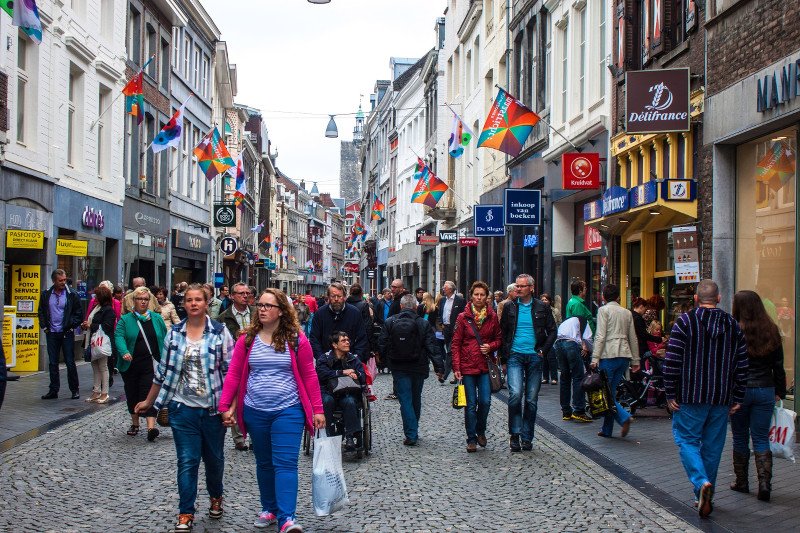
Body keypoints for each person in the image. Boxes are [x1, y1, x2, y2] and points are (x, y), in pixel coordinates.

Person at [220, 288, 324, 533]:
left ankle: (287, 517)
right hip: (255, 410)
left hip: (288, 410)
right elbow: (234, 374)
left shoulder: (296, 338)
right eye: (261, 305)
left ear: (281, 311)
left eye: (269, 306)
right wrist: (225, 406)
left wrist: (317, 409)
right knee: (265, 463)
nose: (263, 309)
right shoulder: (247, 338)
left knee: (286, 463)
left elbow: (310, 375)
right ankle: (269, 508)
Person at [135, 284, 235, 533]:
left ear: (206, 302)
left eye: (198, 300)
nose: (193, 304)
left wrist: (230, 408)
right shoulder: (175, 334)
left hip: (213, 410)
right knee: (187, 461)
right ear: (185, 304)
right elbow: (163, 373)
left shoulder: (220, 333)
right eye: (189, 300)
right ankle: (185, 512)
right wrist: (149, 402)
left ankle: (216, 496)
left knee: (214, 460)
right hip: (183, 409)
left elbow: (232, 374)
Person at [664, 279, 749, 518]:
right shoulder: (733, 325)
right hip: (721, 396)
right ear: (719, 299)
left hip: (690, 395)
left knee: (687, 440)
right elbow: (742, 364)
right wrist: (738, 395)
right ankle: (702, 491)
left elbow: (672, 361)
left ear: (696, 299)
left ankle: (701, 483)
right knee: (713, 447)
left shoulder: (685, 322)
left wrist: (670, 392)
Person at [729, 290, 787, 502]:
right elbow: (778, 366)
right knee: (761, 437)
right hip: (765, 388)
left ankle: (742, 482)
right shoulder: (771, 330)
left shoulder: (733, 330)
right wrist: (780, 391)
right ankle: (765, 484)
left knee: (740, 436)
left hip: (740, 390)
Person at [499, 274, 557, 452]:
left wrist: (543, 351)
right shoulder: (509, 307)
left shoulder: (542, 307)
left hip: (534, 357)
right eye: (517, 286)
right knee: (515, 394)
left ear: (531, 288)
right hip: (515, 355)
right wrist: (503, 359)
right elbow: (503, 334)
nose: (518, 289)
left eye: (522, 286)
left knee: (531, 400)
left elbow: (552, 331)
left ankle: (527, 437)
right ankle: (514, 434)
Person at [378, 294, 444, 445]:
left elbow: (382, 343)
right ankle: (413, 429)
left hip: (398, 366)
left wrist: (383, 360)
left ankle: (411, 433)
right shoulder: (423, 323)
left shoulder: (390, 321)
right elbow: (432, 346)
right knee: (416, 398)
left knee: (405, 400)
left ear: (401, 307)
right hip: (418, 366)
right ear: (415, 307)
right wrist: (439, 366)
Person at [450, 281, 502, 453]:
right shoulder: (463, 317)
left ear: (487, 297)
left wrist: (491, 346)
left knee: (485, 402)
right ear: (471, 296)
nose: (479, 298)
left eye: (482, 295)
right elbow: (456, 343)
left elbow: (499, 339)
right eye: (476, 294)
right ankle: (471, 438)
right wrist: (456, 367)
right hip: (467, 366)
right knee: (470, 404)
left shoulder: (492, 316)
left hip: (485, 366)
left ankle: (481, 429)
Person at [115, 286, 168, 441]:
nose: (143, 302)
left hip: (151, 364)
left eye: (146, 299)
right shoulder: (126, 319)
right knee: (132, 393)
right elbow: (118, 336)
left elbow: (165, 339)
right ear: (134, 301)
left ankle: (151, 427)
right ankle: (135, 423)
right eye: (140, 299)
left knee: (148, 392)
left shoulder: (157, 319)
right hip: (130, 364)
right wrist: (124, 351)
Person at [590, 284, 639, 439]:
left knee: (606, 395)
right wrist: (636, 360)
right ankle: (607, 429)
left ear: (603, 297)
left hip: (608, 355)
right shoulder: (626, 313)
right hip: (624, 356)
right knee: (610, 392)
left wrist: (595, 357)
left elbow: (600, 335)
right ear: (618, 297)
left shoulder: (603, 311)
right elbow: (633, 337)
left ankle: (624, 417)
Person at [216, 282, 256, 451]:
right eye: (241, 293)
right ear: (232, 296)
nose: (245, 296)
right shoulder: (223, 317)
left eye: (247, 293)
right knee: (236, 397)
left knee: (254, 397)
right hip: (234, 361)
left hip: (255, 359)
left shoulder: (257, 314)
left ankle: (255, 436)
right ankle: (239, 437)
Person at [316, 331, 367, 451]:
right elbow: (321, 374)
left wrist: (355, 373)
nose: (347, 342)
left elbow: (363, 377)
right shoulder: (325, 358)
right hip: (328, 392)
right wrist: (342, 372)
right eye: (343, 341)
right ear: (334, 345)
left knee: (349, 402)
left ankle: (350, 437)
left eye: (348, 340)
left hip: (347, 393)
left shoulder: (353, 359)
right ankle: (327, 434)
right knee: (327, 401)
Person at [39, 269, 83, 400]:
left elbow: (78, 313)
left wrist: (70, 325)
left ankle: (74, 390)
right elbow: (41, 311)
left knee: (70, 362)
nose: (64, 282)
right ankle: (53, 390)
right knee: (53, 363)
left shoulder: (72, 294)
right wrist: (45, 327)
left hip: (66, 333)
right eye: (60, 281)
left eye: (64, 280)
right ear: (54, 281)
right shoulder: (46, 294)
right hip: (52, 333)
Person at [308, 282, 368, 362]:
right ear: (328, 297)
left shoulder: (355, 313)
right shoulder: (320, 314)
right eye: (333, 296)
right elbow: (314, 339)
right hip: (327, 362)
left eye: (339, 296)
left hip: (350, 361)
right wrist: (321, 359)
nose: (336, 299)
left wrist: (356, 358)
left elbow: (362, 338)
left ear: (344, 297)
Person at [553, 316, 593, 423]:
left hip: (558, 344)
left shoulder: (567, 321)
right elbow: (588, 338)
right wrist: (592, 351)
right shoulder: (584, 321)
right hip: (571, 344)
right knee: (578, 377)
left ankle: (566, 411)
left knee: (565, 378)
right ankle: (579, 411)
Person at [84, 285, 116, 404]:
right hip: (93, 341)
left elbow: (107, 326)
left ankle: (104, 392)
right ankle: (96, 391)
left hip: (102, 342)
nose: (95, 297)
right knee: (95, 366)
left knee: (103, 367)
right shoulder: (97, 307)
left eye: (97, 295)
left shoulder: (108, 310)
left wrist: (91, 325)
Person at [439, 280, 467, 384]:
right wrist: (441, 323)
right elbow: (440, 312)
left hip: (456, 329)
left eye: (444, 288)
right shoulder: (442, 300)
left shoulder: (460, 300)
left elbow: (464, 314)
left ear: (450, 289)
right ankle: (457, 375)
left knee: (450, 352)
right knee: (452, 352)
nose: (443, 289)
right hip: (446, 329)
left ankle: (444, 375)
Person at [346, 283, 374, 359]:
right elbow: (367, 325)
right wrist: (371, 344)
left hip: (345, 338)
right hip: (359, 340)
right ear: (361, 293)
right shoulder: (364, 305)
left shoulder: (344, 304)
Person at [538, 293, 559, 385]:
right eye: (542, 300)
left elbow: (558, 322)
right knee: (544, 358)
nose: (544, 301)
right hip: (542, 337)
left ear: (550, 301)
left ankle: (554, 378)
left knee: (551, 357)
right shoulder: (538, 310)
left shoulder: (555, 311)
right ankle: (545, 377)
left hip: (551, 336)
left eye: (546, 300)